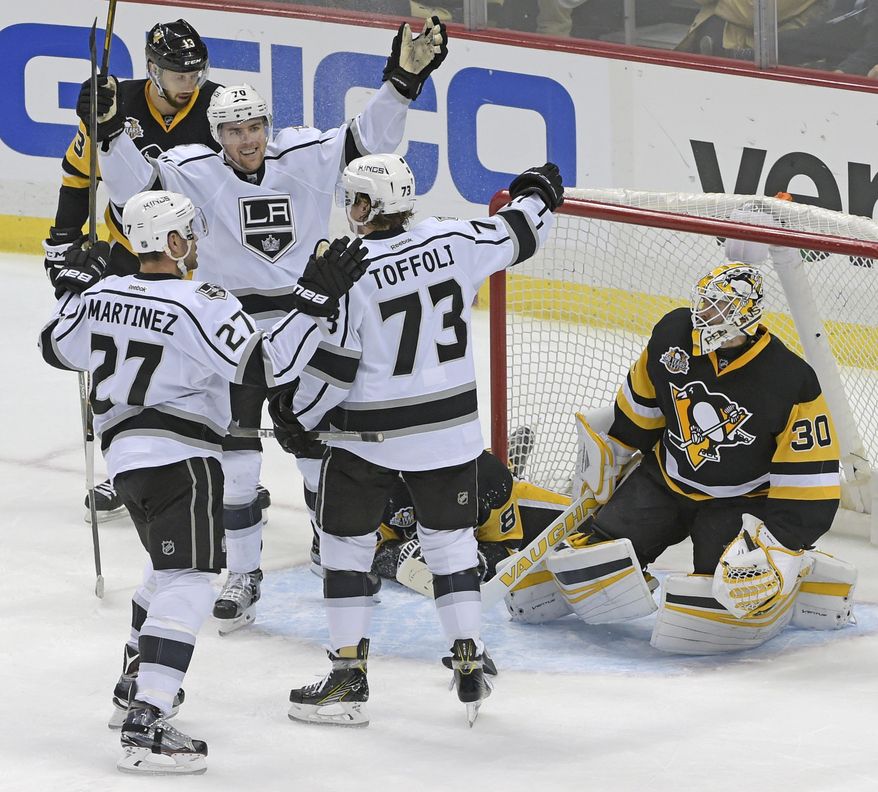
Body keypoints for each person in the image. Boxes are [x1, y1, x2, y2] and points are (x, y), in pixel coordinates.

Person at [78, 17, 450, 631]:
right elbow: (134, 194)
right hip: (232, 329)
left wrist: (402, 81)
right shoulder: (192, 167)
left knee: (317, 446)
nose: (246, 140)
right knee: (237, 456)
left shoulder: (302, 155)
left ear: (267, 128)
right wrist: (111, 131)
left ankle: (332, 548)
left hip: (309, 314)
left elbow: (369, 143)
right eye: (232, 130)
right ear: (216, 132)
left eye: (254, 128)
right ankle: (244, 574)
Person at [38, 189, 369, 774]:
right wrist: (312, 304)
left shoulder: (103, 294)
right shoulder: (202, 301)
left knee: (161, 571)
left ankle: (133, 681)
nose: (195, 242)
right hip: (182, 460)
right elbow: (267, 368)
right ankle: (148, 721)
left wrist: (72, 289)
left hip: (126, 461)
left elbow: (55, 349)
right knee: (190, 581)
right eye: (187, 232)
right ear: (169, 242)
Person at [268, 153, 564, 726]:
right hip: (452, 436)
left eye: (352, 199)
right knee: (451, 545)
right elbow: (521, 231)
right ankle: (469, 657)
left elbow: (333, 369)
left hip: (369, 438)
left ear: (367, 206)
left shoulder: (347, 271)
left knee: (345, 547)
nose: (348, 209)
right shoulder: (454, 240)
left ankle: (348, 678)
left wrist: (296, 414)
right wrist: (536, 192)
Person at [504, 244, 855, 653]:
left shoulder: (791, 379)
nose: (702, 315)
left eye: (717, 309)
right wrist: (613, 454)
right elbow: (642, 405)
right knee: (597, 553)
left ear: (745, 316)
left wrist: (782, 545)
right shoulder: (673, 336)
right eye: (703, 305)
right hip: (664, 481)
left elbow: (809, 478)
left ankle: (799, 574)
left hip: (739, 502)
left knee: (728, 587)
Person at [42, 19, 222, 525]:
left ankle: (223, 466)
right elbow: (79, 176)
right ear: (152, 69)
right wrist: (63, 239)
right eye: (178, 72)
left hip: (199, 255)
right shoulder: (112, 99)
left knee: (205, 367)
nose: (190, 81)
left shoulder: (219, 106)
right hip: (130, 253)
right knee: (119, 360)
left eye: (196, 71)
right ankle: (124, 465)